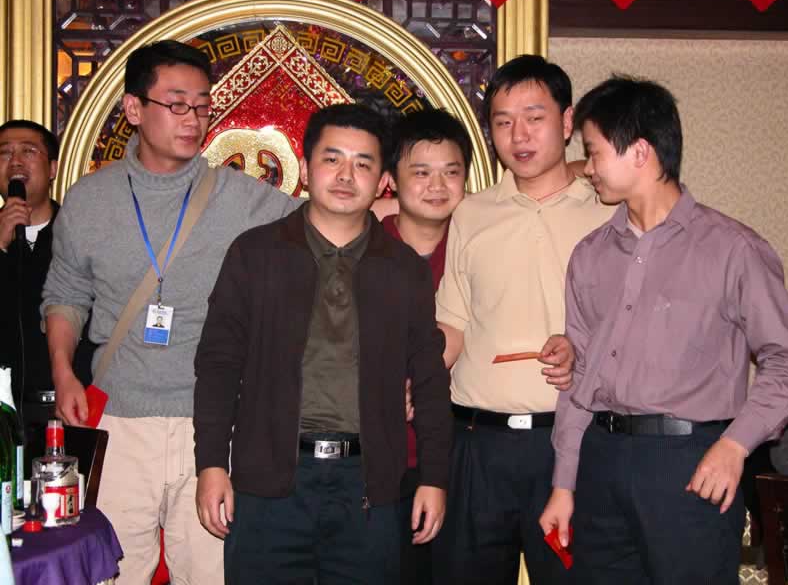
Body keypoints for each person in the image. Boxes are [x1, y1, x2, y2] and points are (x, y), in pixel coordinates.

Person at [42, 40, 301, 584]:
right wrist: (64, 372)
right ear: (134, 109)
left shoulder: (243, 198)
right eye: (177, 103)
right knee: (112, 573)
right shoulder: (89, 201)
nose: (193, 119)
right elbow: (65, 294)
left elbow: (328, 222)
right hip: (116, 421)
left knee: (210, 573)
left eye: (202, 105)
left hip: (213, 423)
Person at [540, 76, 788, 584]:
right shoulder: (590, 255)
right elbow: (580, 376)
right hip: (601, 459)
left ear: (640, 152)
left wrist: (736, 445)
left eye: (593, 152)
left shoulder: (733, 249)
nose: (586, 168)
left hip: (692, 465)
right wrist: (564, 483)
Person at [193, 103, 453, 584]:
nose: (346, 175)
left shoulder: (404, 270)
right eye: (332, 159)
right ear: (306, 167)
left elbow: (431, 382)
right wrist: (210, 464)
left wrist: (435, 478)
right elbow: (217, 367)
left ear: (383, 181)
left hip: (369, 487)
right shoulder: (255, 253)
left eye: (363, 163)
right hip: (269, 482)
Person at [432, 55, 613, 585]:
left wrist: (583, 351)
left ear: (567, 121)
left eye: (535, 117)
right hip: (476, 442)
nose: (519, 135)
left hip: (573, 444)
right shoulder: (471, 213)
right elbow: (453, 324)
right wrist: (413, 376)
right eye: (504, 121)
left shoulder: (609, 211)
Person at [382, 107, 472, 584]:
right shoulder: (364, 247)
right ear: (391, 179)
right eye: (421, 172)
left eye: (450, 172)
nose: (437, 185)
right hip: (374, 462)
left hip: (455, 460)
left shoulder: (479, 250)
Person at [0, 120, 95, 465]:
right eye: (5, 154)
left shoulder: (81, 236)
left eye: (28, 151)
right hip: (4, 418)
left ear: (53, 168)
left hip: (71, 411)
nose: (15, 161)